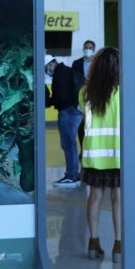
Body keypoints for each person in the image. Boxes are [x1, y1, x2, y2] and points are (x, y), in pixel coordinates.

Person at [80, 46, 120, 262]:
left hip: (94, 156)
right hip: (117, 155)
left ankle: (93, 243)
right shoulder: (123, 92)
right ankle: (119, 246)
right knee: (118, 199)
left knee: (94, 197)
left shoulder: (85, 93)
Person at [45, 55, 82, 189]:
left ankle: (71, 176)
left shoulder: (60, 74)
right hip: (75, 110)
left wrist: (47, 101)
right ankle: (74, 174)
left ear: (51, 64)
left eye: (45, 68)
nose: (46, 72)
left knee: (68, 144)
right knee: (70, 143)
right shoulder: (67, 70)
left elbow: (61, 97)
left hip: (68, 111)